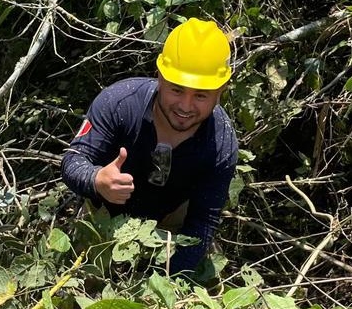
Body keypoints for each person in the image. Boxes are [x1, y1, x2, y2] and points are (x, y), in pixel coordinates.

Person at [60, 17, 238, 273]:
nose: (186, 107)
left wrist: (170, 283)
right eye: (177, 90)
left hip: (169, 230)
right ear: (160, 77)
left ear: (221, 90)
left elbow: (203, 222)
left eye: (200, 95)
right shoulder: (118, 103)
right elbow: (73, 160)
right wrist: (97, 179)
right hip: (101, 220)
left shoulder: (221, 142)